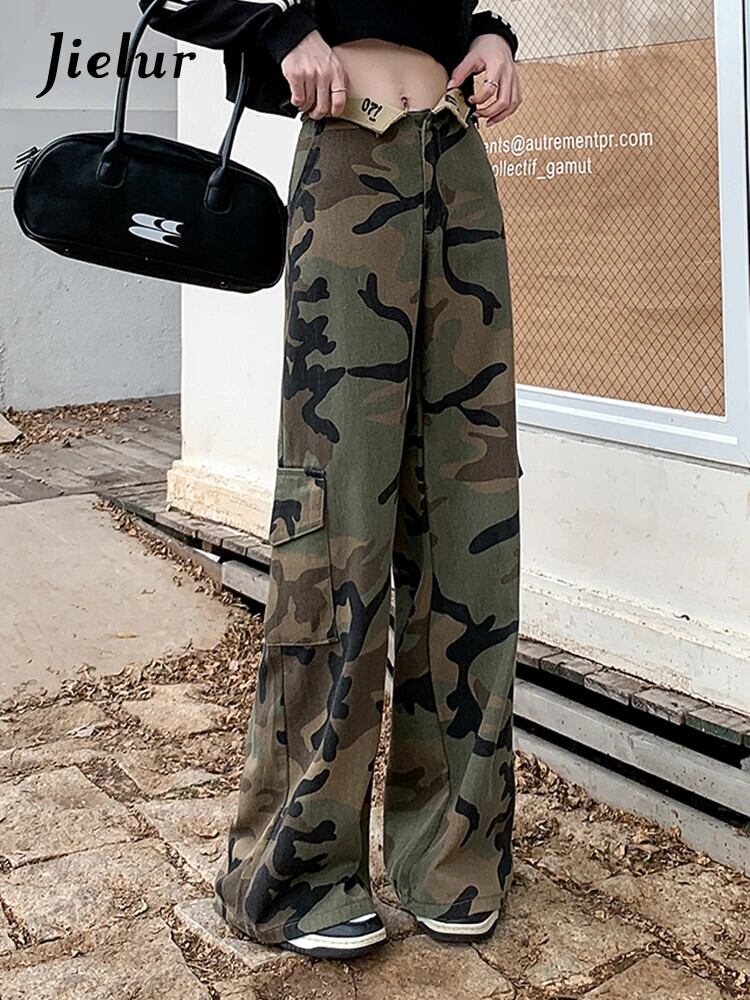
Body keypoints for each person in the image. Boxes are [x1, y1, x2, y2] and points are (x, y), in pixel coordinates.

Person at [140, 0, 523, 961]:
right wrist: (276, 32)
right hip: (351, 151)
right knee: (337, 514)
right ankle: (297, 865)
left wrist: (489, 34)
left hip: (457, 159)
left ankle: (454, 849)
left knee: (471, 508)